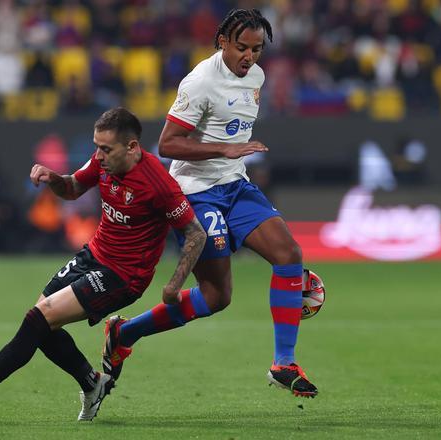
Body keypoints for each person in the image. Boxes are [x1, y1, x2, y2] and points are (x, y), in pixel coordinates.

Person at [0, 107, 206, 421]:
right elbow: (73, 187)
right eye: (96, 146)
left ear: (132, 148)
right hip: (94, 255)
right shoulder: (102, 163)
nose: (98, 155)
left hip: (123, 276)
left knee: (40, 317)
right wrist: (53, 178)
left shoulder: (158, 183)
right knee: (39, 325)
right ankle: (92, 383)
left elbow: (196, 233)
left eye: (105, 149)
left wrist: (174, 285)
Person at [102, 9, 318, 398]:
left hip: (235, 185)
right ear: (222, 42)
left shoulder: (257, 77)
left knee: (289, 255)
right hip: (195, 192)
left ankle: (283, 363)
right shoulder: (200, 81)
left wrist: (231, 157)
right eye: (241, 48)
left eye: (256, 49)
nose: (249, 57)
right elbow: (168, 144)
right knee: (217, 297)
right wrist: (226, 148)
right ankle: (125, 332)